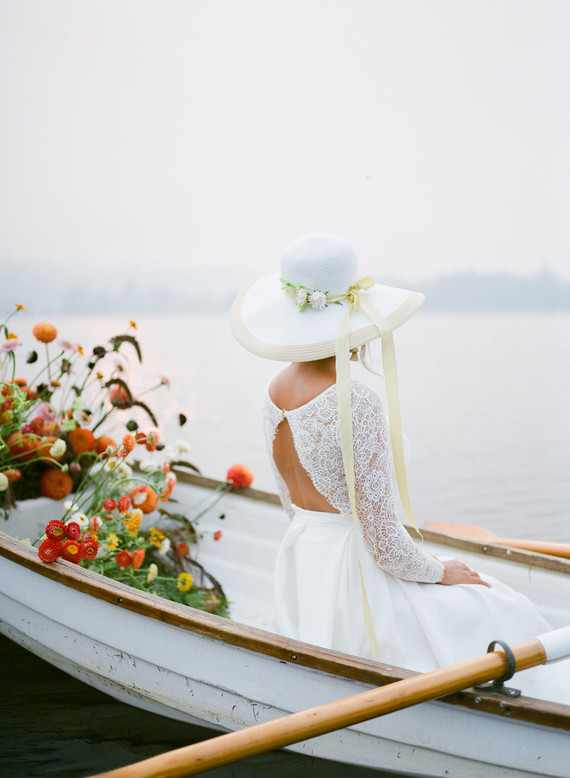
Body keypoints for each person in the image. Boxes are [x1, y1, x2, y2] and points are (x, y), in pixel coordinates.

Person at [230, 233, 568, 702]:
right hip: (359, 576)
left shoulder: (273, 390)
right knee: (497, 603)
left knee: (485, 597)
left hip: (305, 561)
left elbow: (291, 503)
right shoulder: (354, 402)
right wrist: (438, 571)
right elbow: (384, 545)